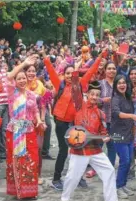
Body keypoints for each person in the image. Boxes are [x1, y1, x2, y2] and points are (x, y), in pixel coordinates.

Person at [58, 79, 124, 201]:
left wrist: (104, 138)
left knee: (109, 170)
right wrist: (76, 72)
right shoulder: (78, 105)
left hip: (94, 150)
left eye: (97, 95)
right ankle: (64, 199)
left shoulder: (100, 113)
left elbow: (103, 131)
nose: (94, 97)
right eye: (92, 94)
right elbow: (76, 89)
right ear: (87, 94)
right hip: (79, 150)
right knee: (72, 176)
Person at [44, 50, 103, 190]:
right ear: (64, 75)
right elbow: (51, 71)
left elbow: (91, 70)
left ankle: (79, 178)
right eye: (67, 73)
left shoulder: (80, 84)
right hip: (61, 122)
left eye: (72, 73)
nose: (70, 75)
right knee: (63, 150)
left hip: (76, 123)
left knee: (79, 150)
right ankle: (56, 179)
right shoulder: (60, 85)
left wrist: (100, 58)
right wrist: (45, 58)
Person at [5, 56, 46, 199]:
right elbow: (8, 76)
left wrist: (39, 120)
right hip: (15, 131)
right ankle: (18, 191)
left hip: (29, 130)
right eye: (19, 79)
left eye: (24, 79)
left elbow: (35, 110)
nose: (22, 81)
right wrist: (24, 63)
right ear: (15, 81)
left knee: (31, 159)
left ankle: (30, 191)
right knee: (16, 160)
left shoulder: (31, 95)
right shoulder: (11, 92)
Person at [111, 74, 136, 199]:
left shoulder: (128, 97)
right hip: (118, 135)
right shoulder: (115, 99)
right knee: (124, 161)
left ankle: (123, 185)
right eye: (119, 83)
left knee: (129, 161)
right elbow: (116, 113)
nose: (122, 85)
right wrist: (131, 116)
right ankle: (118, 187)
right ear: (115, 86)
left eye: (124, 82)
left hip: (128, 133)